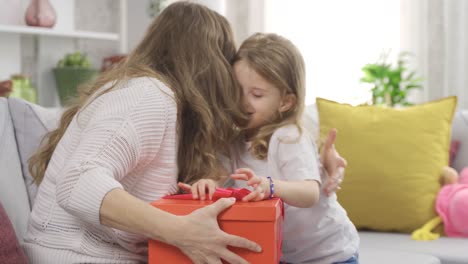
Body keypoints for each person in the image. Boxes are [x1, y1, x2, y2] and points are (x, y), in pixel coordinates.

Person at [23, 2, 262, 263]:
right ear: (212, 64)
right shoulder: (148, 95)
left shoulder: (162, 103)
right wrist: (181, 232)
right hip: (76, 254)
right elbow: (78, 182)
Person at [180, 33, 359, 264]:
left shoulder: (288, 137)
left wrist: (271, 186)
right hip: (287, 254)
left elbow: (310, 193)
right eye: (236, 90)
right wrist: (207, 184)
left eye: (256, 94)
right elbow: (218, 175)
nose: (242, 102)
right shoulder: (234, 140)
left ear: (285, 102)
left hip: (329, 254)